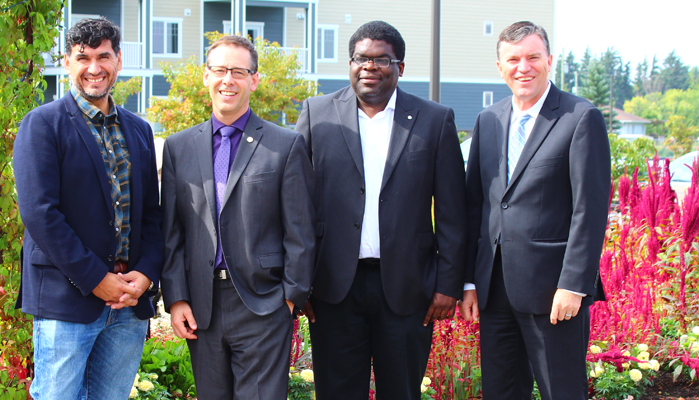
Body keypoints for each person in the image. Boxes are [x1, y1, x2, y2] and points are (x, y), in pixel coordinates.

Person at [295, 20, 467, 400]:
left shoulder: (435, 120)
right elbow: (296, 206)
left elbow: (454, 211)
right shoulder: (316, 114)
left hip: (408, 290)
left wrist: (447, 284)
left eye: (381, 60)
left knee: (402, 392)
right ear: (350, 63)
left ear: (400, 67)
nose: (369, 67)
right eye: (361, 59)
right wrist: (299, 280)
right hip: (332, 288)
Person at [13, 17, 164, 400]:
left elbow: (151, 213)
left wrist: (145, 274)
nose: (94, 68)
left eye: (103, 56)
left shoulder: (139, 130)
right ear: (67, 62)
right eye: (83, 58)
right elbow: (40, 214)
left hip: (129, 305)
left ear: (118, 60)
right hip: (68, 300)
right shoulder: (42, 125)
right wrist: (97, 278)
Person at [159, 35, 315, 400]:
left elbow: (301, 232)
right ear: (205, 76)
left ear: (254, 80)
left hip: (262, 304)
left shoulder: (285, 144)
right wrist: (177, 298)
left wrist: (288, 300)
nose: (228, 79)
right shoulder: (179, 147)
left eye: (238, 71)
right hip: (202, 306)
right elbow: (172, 232)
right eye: (220, 70)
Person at [461, 21, 610, 400]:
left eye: (532, 57)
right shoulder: (488, 120)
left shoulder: (580, 117)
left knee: (561, 391)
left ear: (549, 61)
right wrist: (470, 281)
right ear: (500, 67)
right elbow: (476, 205)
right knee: (501, 391)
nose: (522, 67)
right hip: (495, 290)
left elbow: (589, 210)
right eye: (513, 59)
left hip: (554, 292)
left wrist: (574, 284)